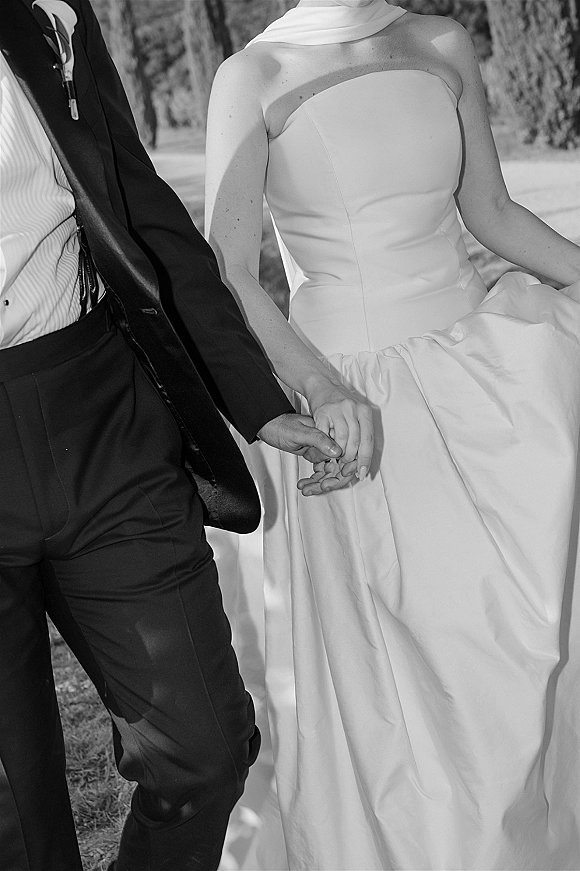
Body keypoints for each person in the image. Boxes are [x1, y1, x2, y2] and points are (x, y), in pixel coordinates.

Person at [204, 0, 580, 868]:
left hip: (483, 380)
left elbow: (491, 211)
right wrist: (319, 384)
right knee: (424, 667)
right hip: (353, 405)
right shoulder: (252, 75)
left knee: (517, 651)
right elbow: (229, 273)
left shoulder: (440, 42)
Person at [0, 1, 374, 869]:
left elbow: (137, 205)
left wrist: (255, 396)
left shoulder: (48, 11)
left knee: (203, 748)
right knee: (15, 823)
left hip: (102, 418)